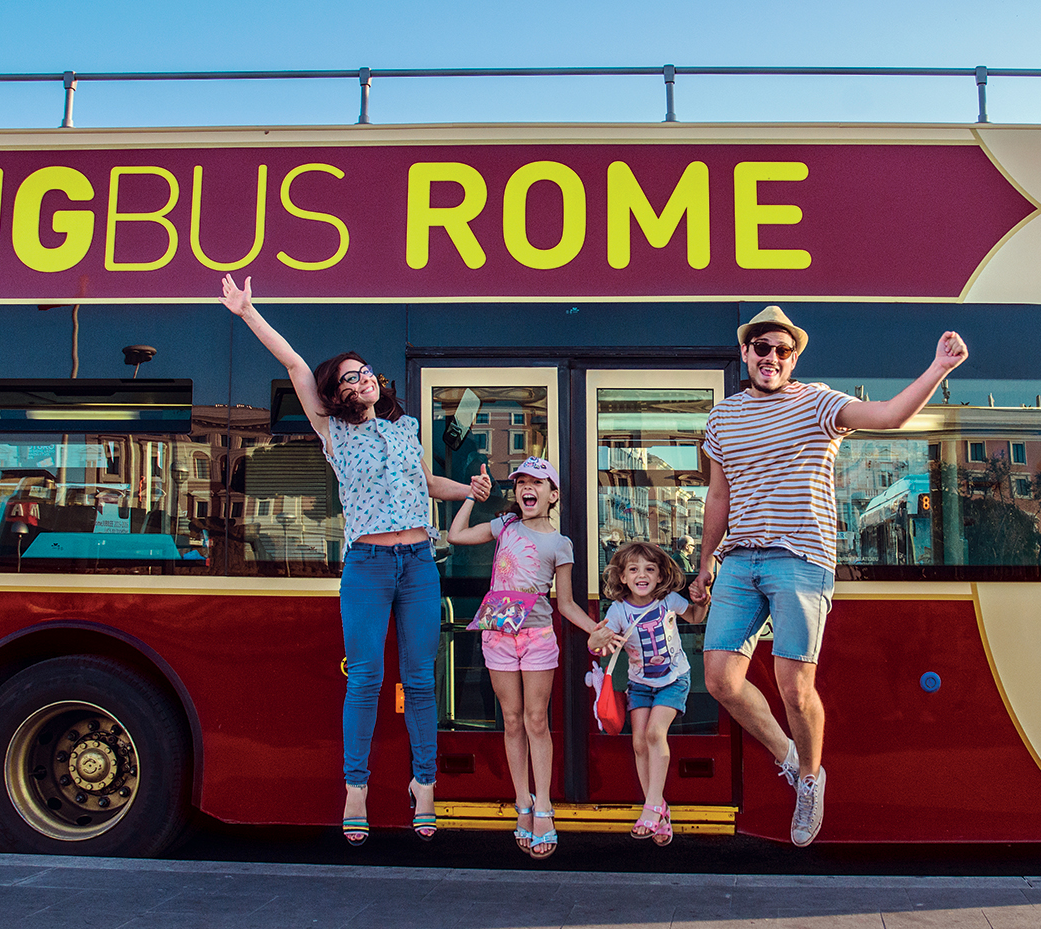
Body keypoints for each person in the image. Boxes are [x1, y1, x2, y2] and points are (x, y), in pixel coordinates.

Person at [218, 275, 491, 847]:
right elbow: (294, 365)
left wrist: (469, 490)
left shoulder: (405, 428)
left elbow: (425, 483)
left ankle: (424, 785)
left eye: (366, 371)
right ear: (337, 394)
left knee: (420, 682)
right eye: (351, 377)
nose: (364, 378)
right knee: (365, 679)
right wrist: (248, 312)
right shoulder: (334, 432)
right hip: (367, 565)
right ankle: (357, 789)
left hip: (419, 562)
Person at [690, 305, 968, 847]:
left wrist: (939, 368)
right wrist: (705, 560)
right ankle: (792, 759)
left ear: (793, 358)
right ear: (745, 353)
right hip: (740, 559)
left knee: (795, 688)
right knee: (721, 680)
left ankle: (811, 781)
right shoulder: (722, 419)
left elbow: (889, 416)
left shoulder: (819, 402)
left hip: (801, 559)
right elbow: (718, 494)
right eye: (761, 348)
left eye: (782, 350)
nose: (771, 357)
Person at [448, 456, 601, 859]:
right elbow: (456, 535)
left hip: (536, 637)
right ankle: (523, 803)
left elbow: (565, 604)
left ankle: (545, 807)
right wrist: (471, 494)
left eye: (537, 483)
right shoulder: (505, 526)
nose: (526, 488)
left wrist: (595, 629)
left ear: (553, 495)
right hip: (498, 634)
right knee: (512, 720)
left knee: (536, 720)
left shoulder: (560, 543)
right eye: (521, 483)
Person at [589, 541, 708, 846]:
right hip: (640, 684)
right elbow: (599, 645)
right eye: (633, 569)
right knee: (639, 742)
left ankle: (651, 807)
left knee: (655, 734)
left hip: (674, 679)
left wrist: (702, 601)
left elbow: (695, 617)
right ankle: (658, 807)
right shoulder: (618, 610)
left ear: (659, 577)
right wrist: (596, 638)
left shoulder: (667, 601)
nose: (642, 575)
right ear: (623, 578)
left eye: (649, 569)